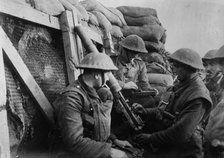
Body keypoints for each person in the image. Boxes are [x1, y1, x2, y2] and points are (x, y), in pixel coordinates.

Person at [132, 48, 212, 158]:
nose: (173, 68)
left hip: (185, 152)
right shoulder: (181, 85)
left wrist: (151, 138)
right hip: (170, 146)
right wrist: (145, 111)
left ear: (189, 68)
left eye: (177, 65)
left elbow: (182, 133)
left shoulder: (198, 96)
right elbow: (166, 109)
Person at [52, 52, 130, 158]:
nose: (107, 79)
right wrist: (109, 151)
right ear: (97, 74)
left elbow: (96, 125)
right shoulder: (71, 98)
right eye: (107, 74)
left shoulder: (92, 92)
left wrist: (114, 140)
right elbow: (74, 142)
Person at [204, 45, 224, 158]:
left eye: (212, 64)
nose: (207, 69)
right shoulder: (208, 85)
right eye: (206, 65)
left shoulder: (219, 86)